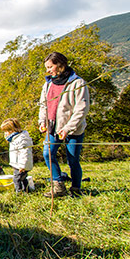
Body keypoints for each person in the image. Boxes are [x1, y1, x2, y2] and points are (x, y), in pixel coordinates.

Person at [37, 52, 90, 197]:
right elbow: (43, 105)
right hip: (53, 127)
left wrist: (68, 128)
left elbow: (82, 109)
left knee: (72, 159)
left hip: (73, 129)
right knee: (48, 153)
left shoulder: (77, 83)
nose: (48, 70)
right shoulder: (48, 84)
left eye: (50, 67)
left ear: (60, 65)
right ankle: (58, 185)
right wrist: (42, 122)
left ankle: (76, 189)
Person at [1, 118, 33, 192]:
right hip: (18, 164)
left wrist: (22, 165)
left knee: (16, 179)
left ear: (12, 130)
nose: (5, 134)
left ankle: (19, 192)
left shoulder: (21, 139)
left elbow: (25, 153)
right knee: (23, 178)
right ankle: (27, 190)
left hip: (21, 165)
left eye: (6, 131)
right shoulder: (15, 139)